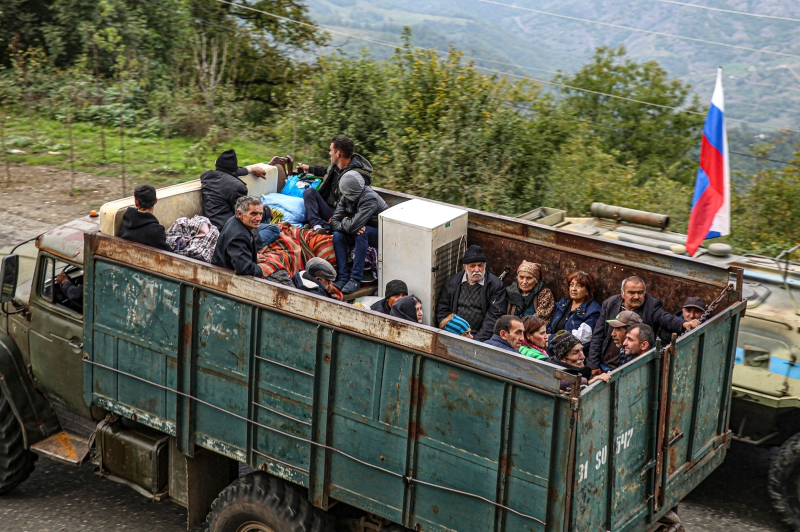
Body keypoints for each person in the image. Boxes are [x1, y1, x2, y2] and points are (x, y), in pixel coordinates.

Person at [587, 276, 700, 373]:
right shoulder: (610, 303)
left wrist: (684, 324)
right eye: (631, 292)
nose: (636, 296)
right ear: (622, 293)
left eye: (640, 293)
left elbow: (666, 318)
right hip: (604, 364)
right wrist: (593, 364)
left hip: (629, 367)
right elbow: (598, 334)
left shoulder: (652, 306)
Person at [296, 136, 374, 233]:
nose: (329, 153)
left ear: (338, 153)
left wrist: (345, 219)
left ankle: (326, 226)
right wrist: (309, 168)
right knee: (309, 192)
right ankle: (317, 225)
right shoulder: (335, 167)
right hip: (328, 209)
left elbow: (364, 202)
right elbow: (325, 170)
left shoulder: (358, 176)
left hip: (344, 215)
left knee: (341, 226)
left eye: (331, 150)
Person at [331, 172, 388, 294]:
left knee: (362, 232)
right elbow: (334, 222)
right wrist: (348, 224)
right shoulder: (346, 197)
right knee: (338, 236)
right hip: (360, 229)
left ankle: (355, 279)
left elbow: (353, 227)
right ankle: (343, 277)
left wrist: (347, 222)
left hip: (382, 234)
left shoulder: (369, 198)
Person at [435, 245, 507, 342]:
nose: (477, 269)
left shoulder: (496, 286)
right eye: (472, 266)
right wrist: (457, 335)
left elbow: (493, 318)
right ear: (465, 267)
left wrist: (475, 341)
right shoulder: (453, 282)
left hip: (481, 338)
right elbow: (442, 312)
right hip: (455, 334)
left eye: (480, 265)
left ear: (485, 266)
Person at [201, 149, 267, 230]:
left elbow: (229, 171)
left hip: (210, 227)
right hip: (227, 230)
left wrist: (251, 170)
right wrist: (267, 212)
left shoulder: (206, 176)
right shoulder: (238, 187)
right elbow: (243, 215)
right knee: (273, 229)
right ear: (234, 170)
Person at [547, 271, 602, 350]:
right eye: (571, 285)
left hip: (571, 352)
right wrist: (545, 337)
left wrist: (551, 339)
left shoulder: (593, 311)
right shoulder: (563, 304)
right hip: (551, 347)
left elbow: (581, 337)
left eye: (579, 286)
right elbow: (551, 325)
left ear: (587, 291)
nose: (574, 289)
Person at [212, 196, 264, 278]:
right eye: (253, 214)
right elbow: (244, 268)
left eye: (260, 214)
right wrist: (260, 270)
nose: (259, 218)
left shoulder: (234, 220)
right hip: (226, 278)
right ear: (240, 214)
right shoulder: (239, 236)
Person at [118, 185, 172, 251]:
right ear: (156, 201)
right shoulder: (156, 231)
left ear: (136, 202)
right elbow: (169, 253)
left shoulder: (126, 220)